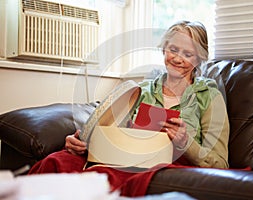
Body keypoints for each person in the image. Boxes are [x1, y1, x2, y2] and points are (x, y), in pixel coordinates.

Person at [29, 20, 229, 195]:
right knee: (55, 161)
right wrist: (80, 141)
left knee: (105, 176)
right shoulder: (139, 91)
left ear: (199, 59)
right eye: (173, 50)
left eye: (188, 54)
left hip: (166, 165)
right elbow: (111, 134)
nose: (177, 59)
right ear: (163, 49)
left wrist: (186, 142)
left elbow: (221, 164)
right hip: (122, 158)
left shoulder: (209, 96)